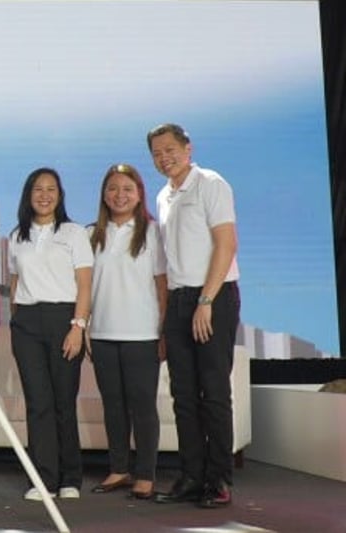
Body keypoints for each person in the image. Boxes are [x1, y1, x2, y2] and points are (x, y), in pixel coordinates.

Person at [147, 123, 240, 509]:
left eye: (170, 149)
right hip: (179, 299)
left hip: (212, 298)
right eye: (157, 153)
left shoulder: (210, 183)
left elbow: (226, 243)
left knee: (213, 392)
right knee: (182, 395)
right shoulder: (163, 196)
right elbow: (169, 263)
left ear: (188, 148)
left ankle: (217, 480)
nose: (164, 157)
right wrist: (168, 318)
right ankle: (191, 475)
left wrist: (206, 301)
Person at [7, 167, 92, 502]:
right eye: (38, 189)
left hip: (64, 320)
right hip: (27, 323)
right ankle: (43, 478)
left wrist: (78, 326)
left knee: (62, 402)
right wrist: (17, 321)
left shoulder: (73, 233)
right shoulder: (18, 235)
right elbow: (15, 283)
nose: (44, 195)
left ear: (60, 195)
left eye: (51, 189)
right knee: (37, 403)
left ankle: (70, 477)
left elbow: (85, 284)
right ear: (29, 195)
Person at [86, 163, 167, 501]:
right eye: (113, 189)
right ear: (104, 194)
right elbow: (85, 286)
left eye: (127, 189)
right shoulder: (92, 234)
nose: (119, 195)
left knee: (142, 406)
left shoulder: (152, 232)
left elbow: (162, 286)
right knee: (113, 406)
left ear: (139, 195)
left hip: (143, 335)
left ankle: (145, 474)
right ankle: (119, 468)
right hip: (103, 333)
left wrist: (163, 332)